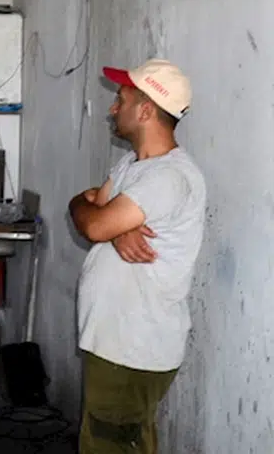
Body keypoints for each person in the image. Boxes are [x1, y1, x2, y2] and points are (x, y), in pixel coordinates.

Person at [69, 59, 205, 454]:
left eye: (122, 100)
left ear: (145, 111)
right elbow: (90, 209)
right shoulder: (133, 164)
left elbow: (93, 223)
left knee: (112, 445)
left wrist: (104, 223)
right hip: (117, 342)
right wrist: (108, 224)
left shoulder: (168, 177)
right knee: (115, 442)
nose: (113, 108)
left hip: (133, 346)